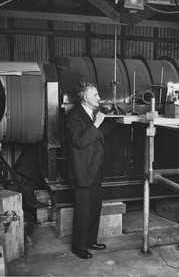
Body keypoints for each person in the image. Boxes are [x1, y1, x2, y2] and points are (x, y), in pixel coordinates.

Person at [66, 81, 113, 260]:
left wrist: (114, 117)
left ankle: (91, 240)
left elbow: (103, 132)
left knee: (94, 207)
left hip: (95, 168)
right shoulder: (74, 116)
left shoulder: (94, 114)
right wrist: (96, 124)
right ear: (85, 98)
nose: (99, 98)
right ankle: (79, 247)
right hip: (82, 170)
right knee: (83, 210)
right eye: (96, 95)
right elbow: (79, 141)